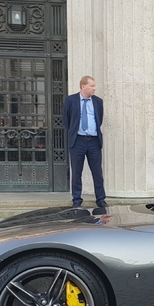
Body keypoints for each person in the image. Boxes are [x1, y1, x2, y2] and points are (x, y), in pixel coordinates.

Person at [62, 76, 107, 208]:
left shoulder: (98, 102)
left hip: (94, 141)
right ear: (83, 86)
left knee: (97, 172)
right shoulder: (70, 100)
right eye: (92, 86)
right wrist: (74, 132)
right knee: (76, 172)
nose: (95, 88)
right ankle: (77, 200)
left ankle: (101, 200)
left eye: (94, 86)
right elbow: (66, 120)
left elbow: (100, 119)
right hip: (78, 141)